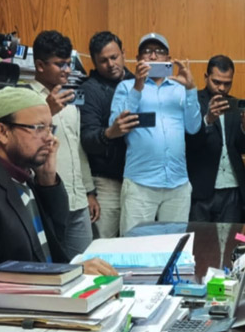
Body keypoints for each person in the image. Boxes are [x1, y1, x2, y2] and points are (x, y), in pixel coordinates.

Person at [0, 87, 116, 327]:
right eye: (38, 128)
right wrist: (66, 277)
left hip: (38, 313)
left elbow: (53, 247)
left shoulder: (22, 176)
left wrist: (48, 180)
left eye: (50, 128)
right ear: (2, 132)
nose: (50, 138)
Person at [109, 33, 201, 235]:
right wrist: (138, 87)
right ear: (138, 58)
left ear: (168, 58)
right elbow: (115, 126)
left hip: (177, 184)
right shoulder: (126, 87)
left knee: (175, 245)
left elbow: (193, 127)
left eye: (159, 52)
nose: (153, 56)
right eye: (147, 51)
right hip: (140, 184)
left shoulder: (180, 88)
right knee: (134, 245)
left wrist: (191, 89)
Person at [27, 30, 95, 257]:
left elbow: (77, 148)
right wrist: (47, 111)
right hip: (47, 199)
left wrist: (89, 191)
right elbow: (26, 146)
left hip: (78, 199)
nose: (67, 70)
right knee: (53, 265)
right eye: (60, 64)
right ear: (40, 65)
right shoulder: (25, 99)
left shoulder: (71, 99)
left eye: (69, 64)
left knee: (86, 265)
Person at [79, 31, 136, 238]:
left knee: (137, 243)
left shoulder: (139, 83)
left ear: (123, 53)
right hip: (107, 183)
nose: (111, 64)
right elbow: (86, 140)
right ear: (94, 62)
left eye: (114, 57)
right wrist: (110, 133)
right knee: (105, 244)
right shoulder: (89, 90)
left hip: (140, 182)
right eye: (103, 61)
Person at [186, 55, 245, 223]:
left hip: (232, 187)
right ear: (206, 77)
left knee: (230, 237)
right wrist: (208, 120)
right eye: (216, 82)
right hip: (200, 187)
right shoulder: (193, 101)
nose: (222, 88)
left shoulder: (236, 105)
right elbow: (189, 144)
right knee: (199, 237)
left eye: (227, 83)